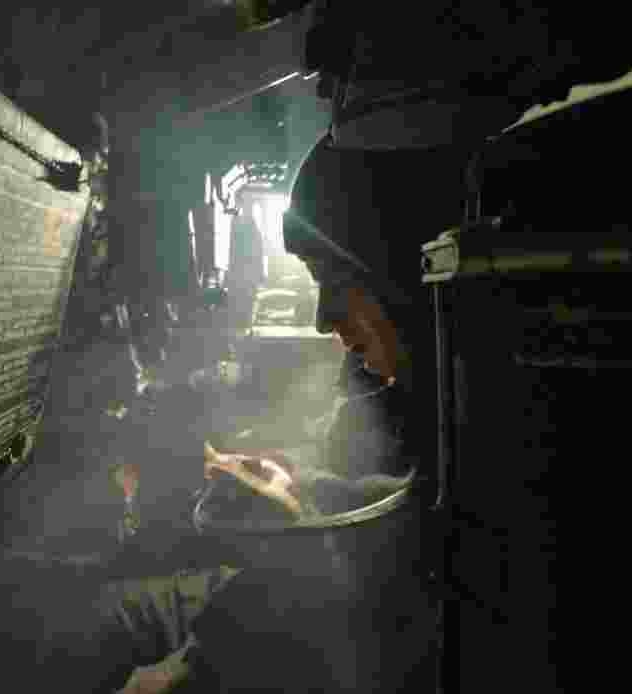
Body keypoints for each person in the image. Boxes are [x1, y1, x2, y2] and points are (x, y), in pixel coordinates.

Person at [82, 136, 468, 694]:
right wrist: (297, 483)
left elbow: (374, 588)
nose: (322, 319)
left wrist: (200, 660)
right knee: (94, 616)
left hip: (329, 619)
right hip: (311, 591)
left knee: (103, 629)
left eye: (335, 284)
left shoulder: (477, 405)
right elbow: (393, 499)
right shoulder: (422, 385)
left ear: (407, 279)